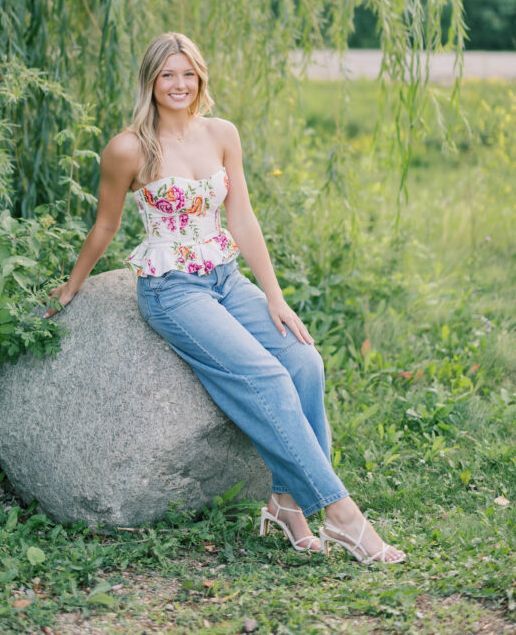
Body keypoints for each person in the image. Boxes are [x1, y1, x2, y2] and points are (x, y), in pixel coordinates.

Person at [44, 32, 405, 565]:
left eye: (187, 73)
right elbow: (105, 224)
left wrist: (275, 297)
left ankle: (284, 502)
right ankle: (341, 515)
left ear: (200, 77)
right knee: (266, 377)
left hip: (226, 279)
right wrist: (74, 283)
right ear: (150, 80)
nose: (179, 84)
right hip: (172, 290)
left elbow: (242, 218)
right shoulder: (128, 148)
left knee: (305, 361)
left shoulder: (221, 133)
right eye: (167, 74)